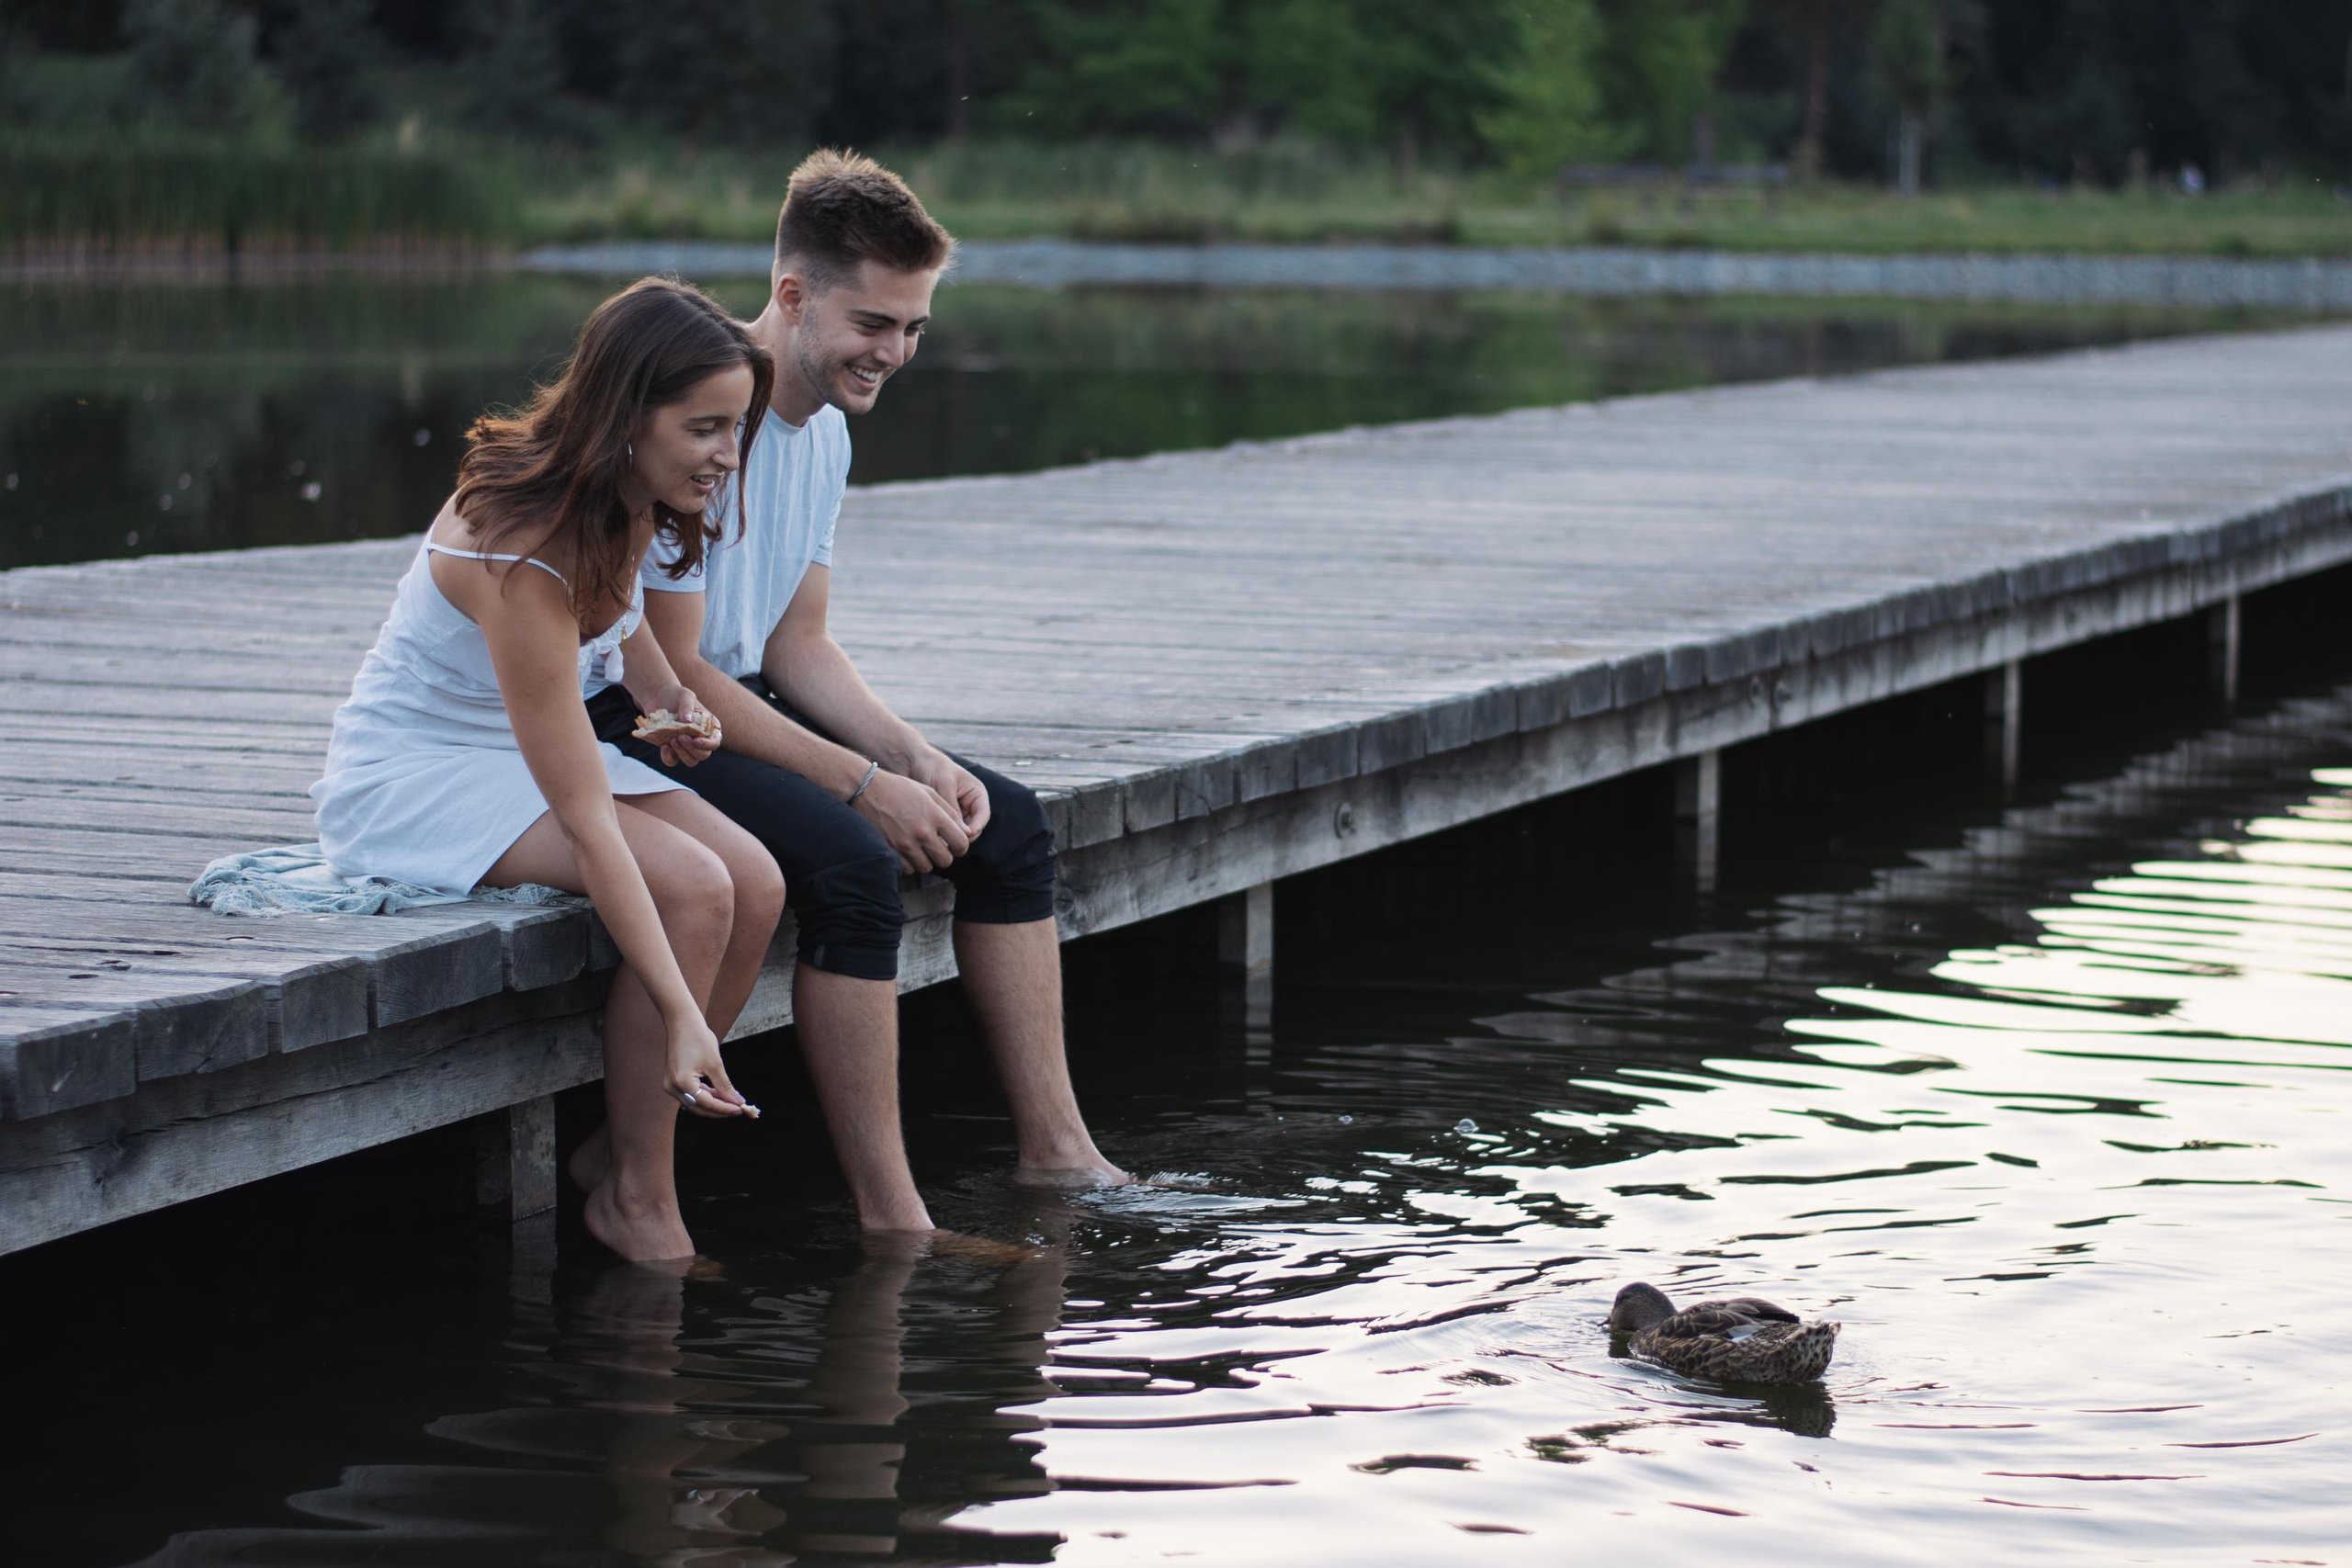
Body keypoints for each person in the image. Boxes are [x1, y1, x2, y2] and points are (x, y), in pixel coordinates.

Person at [580, 151, 1125, 1234]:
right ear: (793, 295)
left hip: (736, 697)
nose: (897, 352)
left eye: (915, 327)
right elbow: (676, 670)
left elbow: (799, 642)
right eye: (876, 323)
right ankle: (894, 1217)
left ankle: (1059, 1153)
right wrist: (863, 785)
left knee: (1002, 825)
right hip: (645, 713)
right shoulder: (703, 421)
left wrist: (918, 759)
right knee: (852, 862)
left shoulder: (824, 430)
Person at [311, 277, 787, 1264]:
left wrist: (667, 707)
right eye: (705, 428)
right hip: (418, 775)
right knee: (696, 888)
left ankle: (620, 1146)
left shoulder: (623, 494)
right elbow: (587, 818)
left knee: (759, 876)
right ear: (626, 414)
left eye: (736, 427)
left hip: (521, 748)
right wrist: (684, 1015)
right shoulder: (522, 551)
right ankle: (640, 1198)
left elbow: (620, 624)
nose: (726, 456)